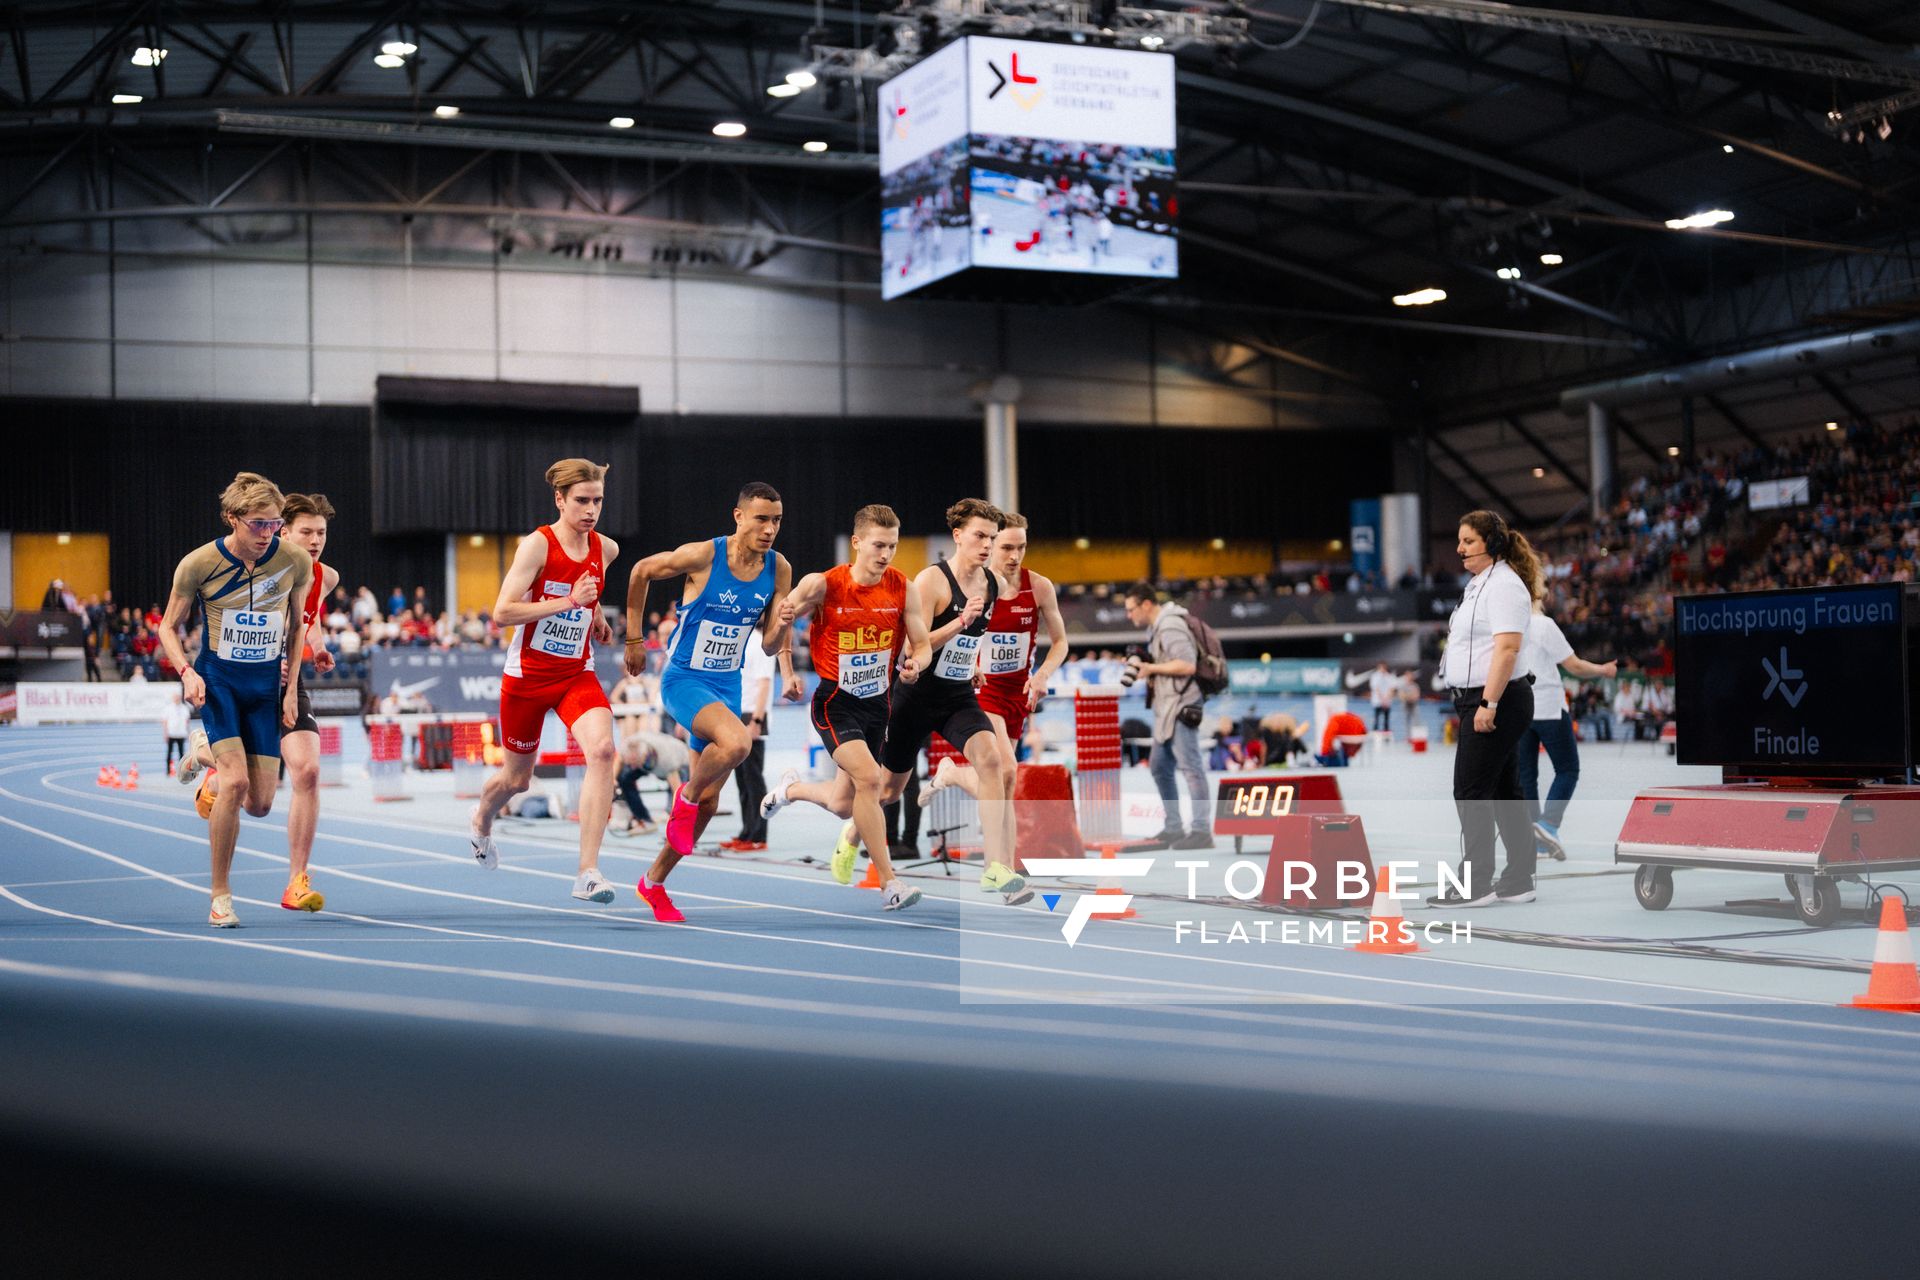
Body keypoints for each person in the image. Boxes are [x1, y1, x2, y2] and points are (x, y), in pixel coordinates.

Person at [622, 481, 798, 923]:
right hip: (684, 680)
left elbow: (773, 644)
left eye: (776, 520)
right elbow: (641, 570)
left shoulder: (779, 569)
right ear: (738, 516)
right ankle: (685, 796)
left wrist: (783, 624)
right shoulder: (704, 555)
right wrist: (634, 638)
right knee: (738, 744)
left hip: (727, 685)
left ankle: (653, 882)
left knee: (710, 805)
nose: (770, 528)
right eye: (761, 518)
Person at [158, 472, 313, 927]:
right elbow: (168, 626)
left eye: (274, 524)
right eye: (258, 524)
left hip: (265, 686)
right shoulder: (198, 564)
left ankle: (201, 751)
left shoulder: (294, 561)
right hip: (220, 682)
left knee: (262, 802)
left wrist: (290, 691)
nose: (268, 533)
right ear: (233, 518)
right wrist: (186, 671)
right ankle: (221, 895)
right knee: (236, 783)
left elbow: (299, 626)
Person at [758, 504, 931, 911]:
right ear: (856, 543)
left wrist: (914, 666)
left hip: (878, 706)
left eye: (892, 546)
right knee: (871, 780)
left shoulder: (904, 588)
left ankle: (790, 789)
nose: (885, 554)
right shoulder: (823, 584)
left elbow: (921, 645)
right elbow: (781, 622)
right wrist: (787, 669)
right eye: (877, 545)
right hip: (835, 702)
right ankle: (890, 883)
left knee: (842, 804)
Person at [466, 459, 622, 906]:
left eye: (597, 501)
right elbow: (502, 612)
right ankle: (480, 820)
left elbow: (586, 589)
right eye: (581, 501)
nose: (591, 510)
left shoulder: (605, 549)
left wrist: (592, 617)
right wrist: (570, 602)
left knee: (604, 750)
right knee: (517, 782)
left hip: (576, 673)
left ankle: (587, 872)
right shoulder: (537, 545)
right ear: (560, 499)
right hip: (528, 678)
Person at [917, 512, 1071, 866]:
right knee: (1007, 771)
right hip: (983, 691)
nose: (1014, 556)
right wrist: (969, 665)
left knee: (1004, 781)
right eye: (1006, 547)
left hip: (1019, 694)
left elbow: (1060, 642)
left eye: (1021, 547)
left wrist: (1044, 674)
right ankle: (1002, 864)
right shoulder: (980, 586)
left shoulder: (1040, 586)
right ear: (991, 543)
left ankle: (953, 775)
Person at [1428, 510, 1539, 908]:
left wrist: (1488, 703)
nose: (1459, 548)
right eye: (1459, 541)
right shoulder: (1480, 584)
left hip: (1496, 699)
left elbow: (1507, 648)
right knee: (1505, 790)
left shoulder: (1504, 585)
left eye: (1468, 541)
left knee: (1470, 789)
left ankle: (1475, 884)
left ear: (1491, 544)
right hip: (1481, 699)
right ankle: (1520, 878)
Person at [1516, 576, 1617, 863]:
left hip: (1521, 707)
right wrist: (1603, 670)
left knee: (1526, 776)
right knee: (1568, 768)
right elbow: (1572, 665)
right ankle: (1548, 824)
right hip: (1547, 705)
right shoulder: (1543, 625)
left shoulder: (1509, 627)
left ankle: (1534, 843)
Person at [273, 492, 341, 911]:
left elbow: (308, 621)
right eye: (306, 532)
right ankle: (208, 753)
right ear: (284, 533)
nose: (315, 540)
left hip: (290, 681)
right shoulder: (261, 573)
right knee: (255, 799)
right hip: (248, 680)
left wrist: (316, 648)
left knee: (309, 771)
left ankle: (296, 881)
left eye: (321, 532)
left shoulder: (326, 577)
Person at [1120, 583, 1212, 850]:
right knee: (1160, 767)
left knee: (1191, 769)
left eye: (1131, 609)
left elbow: (1187, 664)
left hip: (1182, 705)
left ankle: (1201, 830)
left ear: (1146, 604)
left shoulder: (1170, 625)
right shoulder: (1158, 627)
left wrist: (1149, 668)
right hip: (1168, 707)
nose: (1129, 615)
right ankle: (1173, 827)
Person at [722, 630, 777, 851]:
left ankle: (758, 836)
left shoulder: (761, 644)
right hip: (737, 711)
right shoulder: (741, 640)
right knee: (742, 779)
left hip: (752, 715)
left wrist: (756, 719)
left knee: (753, 778)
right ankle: (747, 832)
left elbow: (764, 683)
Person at [617, 728, 691, 836]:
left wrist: (676, 818)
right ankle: (645, 820)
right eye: (630, 763)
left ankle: (677, 823)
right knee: (624, 777)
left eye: (634, 763)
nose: (632, 767)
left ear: (644, 756)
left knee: (679, 798)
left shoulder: (666, 759)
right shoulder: (628, 746)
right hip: (649, 758)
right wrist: (613, 781)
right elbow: (620, 760)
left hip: (680, 761)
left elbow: (677, 791)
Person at [1345, 661, 1398, 732]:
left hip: (1387, 701)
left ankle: (1386, 734)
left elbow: (1392, 688)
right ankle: (1375, 733)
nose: (1382, 669)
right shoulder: (1375, 676)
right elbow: (1376, 688)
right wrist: (1382, 699)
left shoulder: (1389, 677)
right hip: (1378, 701)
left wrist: (1387, 698)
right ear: (1379, 668)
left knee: (1386, 719)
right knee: (1376, 719)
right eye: (1381, 667)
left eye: (1384, 667)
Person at [163, 691, 190, 776]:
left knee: (181, 753)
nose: (177, 699)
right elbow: (165, 721)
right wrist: (165, 733)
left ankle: (181, 771)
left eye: (178, 697)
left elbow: (187, 721)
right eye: (175, 697)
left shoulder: (184, 708)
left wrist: (188, 732)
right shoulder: (168, 708)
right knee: (169, 752)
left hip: (181, 733)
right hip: (171, 733)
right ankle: (168, 771)